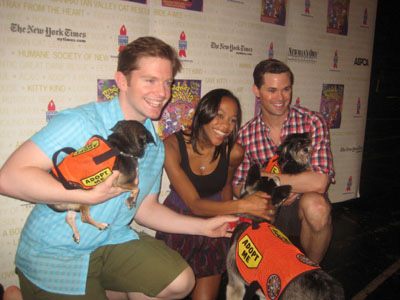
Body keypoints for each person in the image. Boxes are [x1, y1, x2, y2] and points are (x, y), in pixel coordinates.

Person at [0, 36, 239, 300]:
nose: (162, 93)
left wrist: (203, 227)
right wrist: (86, 197)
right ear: (122, 81)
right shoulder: (82, 122)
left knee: (181, 281)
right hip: (55, 253)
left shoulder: (154, 146)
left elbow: (145, 209)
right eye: (150, 80)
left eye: (167, 82)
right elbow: (9, 178)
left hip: (109, 242)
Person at [155, 89, 274, 300]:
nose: (226, 126)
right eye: (219, 116)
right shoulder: (171, 146)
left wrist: (228, 223)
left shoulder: (234, 152)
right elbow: (194, 204)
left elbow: (226, 187)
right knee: (170, 290)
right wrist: (243, 206)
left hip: (215, 227)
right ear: (204, 112)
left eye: (232, 120)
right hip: (178, 223)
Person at [232, 59, 335, 264]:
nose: (280, 98)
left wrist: (267, 176)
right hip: (268, 205)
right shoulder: (245, 134)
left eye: (286, 89)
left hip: (302, 204)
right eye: (272, 90)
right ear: (257, 90)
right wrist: (275, 192)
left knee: (318, 207)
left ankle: (310, 272)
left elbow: (320, 182)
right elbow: (238, 187)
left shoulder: (313, 121)